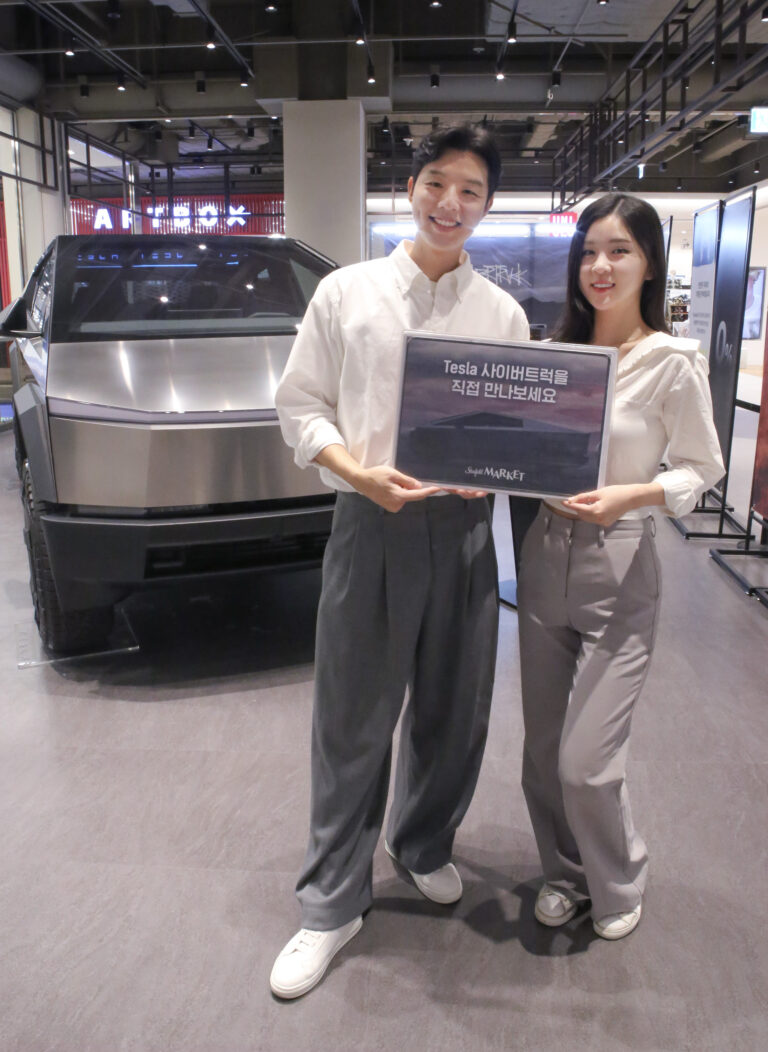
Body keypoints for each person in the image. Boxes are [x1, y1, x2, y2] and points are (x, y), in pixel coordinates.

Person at [270, 124, 529, 998]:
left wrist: (502, 470)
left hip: (465, 532)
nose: (451, 204)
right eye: (437, 183)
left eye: (471, 191)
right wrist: (356, 474)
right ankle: (331, 902)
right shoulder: (348, 293)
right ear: (409, 188)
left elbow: (517, 430)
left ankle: (421, 843)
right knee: (353, 716)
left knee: (456, 711)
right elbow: (301, 404)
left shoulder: (502, 314)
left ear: (487, 206)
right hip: (371, 521)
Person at [517, 193, 724, 941]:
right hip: (543, 554)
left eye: (619, 251)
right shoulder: (554, 355)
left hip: (623, 559)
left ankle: (620, 872)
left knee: (586, 760)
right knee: (542, 751)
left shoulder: (673, 361)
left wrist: (634, 494)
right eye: (588, 252)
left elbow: (702, 466)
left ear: (648, 264)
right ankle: (564, 875)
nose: (599, 266)